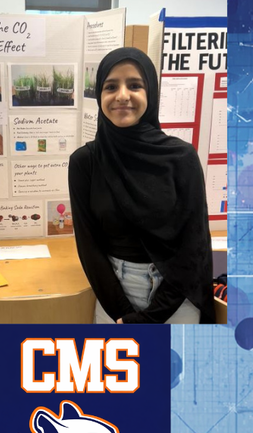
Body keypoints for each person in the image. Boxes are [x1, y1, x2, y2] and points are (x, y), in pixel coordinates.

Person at [68, 48, 215, 324]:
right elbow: (88, 246)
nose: (122, 95)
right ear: (99, 95)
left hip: (177, 295)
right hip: (116, 295)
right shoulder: (85, 162)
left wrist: (151, 318)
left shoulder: (181, 157)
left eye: (135, 85)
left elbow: (194, 245)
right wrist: (124, 315)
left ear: (151, 93)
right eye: (111, 86)